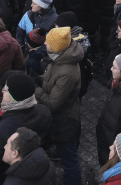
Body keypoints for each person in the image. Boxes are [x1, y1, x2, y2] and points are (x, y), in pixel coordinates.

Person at [0, 73, 53, 185]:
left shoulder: (0, 131)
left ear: (12, 96)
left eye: (4, 90)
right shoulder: (44, 112)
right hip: (34, 167)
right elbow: (47, 141)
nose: (2, 92)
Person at [35, 26, 84, 185]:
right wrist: (40, 79)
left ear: (56, 46)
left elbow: (53, 103)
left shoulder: (66, 71)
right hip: (60, 120)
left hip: (65, 122)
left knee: (70, 161)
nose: (45, 44)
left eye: (48, 42)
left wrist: (35, 89)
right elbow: (51, 81)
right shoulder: (60, 57)